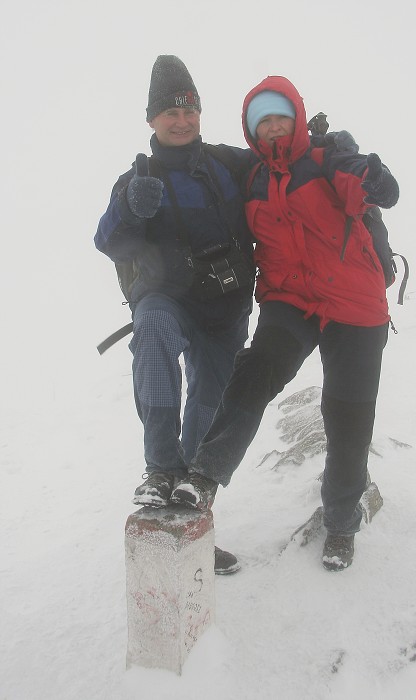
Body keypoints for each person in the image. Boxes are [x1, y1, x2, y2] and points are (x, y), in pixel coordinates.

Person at [170, 75, 400, 572]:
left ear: (296, 119)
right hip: (290, 300)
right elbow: (199, 154)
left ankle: (341, 524)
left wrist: (376, 181)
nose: (273, 128)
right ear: (252, 130)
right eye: (262, 121)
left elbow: (363, 183)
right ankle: (205, 475)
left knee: (347, 418)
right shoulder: (249, 172)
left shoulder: (327, 160)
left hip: (354, 306)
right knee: (252, 375)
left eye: (280, 118)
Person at [94, 55, 257, 575]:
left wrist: (327, 152)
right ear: (151, 120)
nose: (181, 119)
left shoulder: (229, 164)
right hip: (168, 299)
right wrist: (131, 209)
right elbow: (108, 241)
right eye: (169, 111)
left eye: (188, 109)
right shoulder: (138, 177)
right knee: (155, 329)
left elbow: (282, 167)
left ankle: (189, 518)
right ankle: (159, 466)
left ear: (200, 112)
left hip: (226, 312)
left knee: (209, 414)